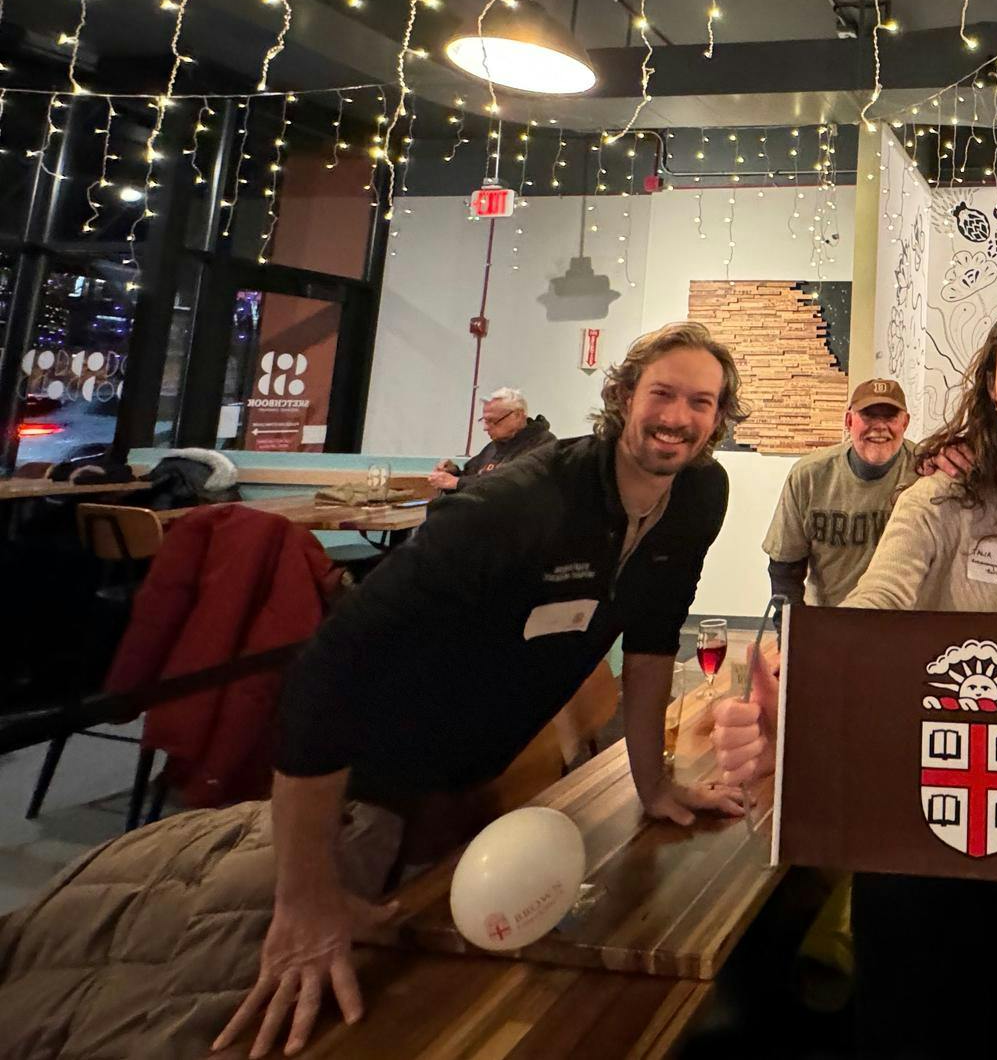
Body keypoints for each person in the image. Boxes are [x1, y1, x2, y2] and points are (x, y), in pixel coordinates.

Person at [215, 324, 748, 1058]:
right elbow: (324, 674)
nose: (678, 417)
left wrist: (652, 782)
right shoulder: (515, 506)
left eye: (701, 401)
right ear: (624, 396)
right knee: (320, 1009)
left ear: (719, 418)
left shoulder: (698, 495)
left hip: (475, 782)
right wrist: (304, 896)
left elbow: (655, 633)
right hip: (363, 788)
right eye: (662, 392)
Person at [722, 299, 997, 1056]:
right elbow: (877, 607)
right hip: (918, 818)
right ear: (990, 388)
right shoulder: (936, 502)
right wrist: (805, 668)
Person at [765, 377, 918, 608]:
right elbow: (785, 571)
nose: (879, 426)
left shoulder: (927, 471)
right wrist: (790, 634)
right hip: (831, 618)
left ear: (905, 423)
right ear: (849, 420)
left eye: (889, 416)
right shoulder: (808, 476)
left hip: (906, 621)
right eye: (868, 415)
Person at [428, 388, 554, 491]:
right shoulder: (495, 446)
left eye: (492, 421)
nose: (485, 428)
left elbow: (512, 484)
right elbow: (472, 476)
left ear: (518, 415)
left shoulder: (543, 445)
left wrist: (457, 482)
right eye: (484, 421)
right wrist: (453, 473)